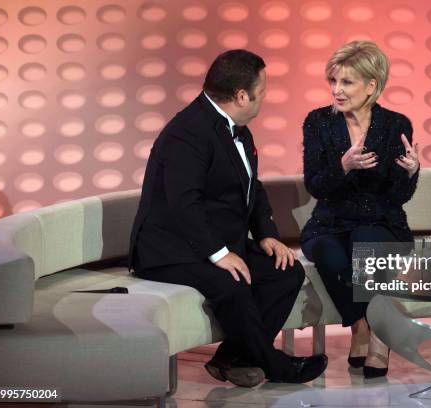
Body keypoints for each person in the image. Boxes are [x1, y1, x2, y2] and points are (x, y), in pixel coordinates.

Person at [129, 49, 327, 387]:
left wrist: (266, 234)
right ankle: (275, 366)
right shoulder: (187, 132)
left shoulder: (236, 127)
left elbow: (252, 185)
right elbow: (184, 203)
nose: (265, 97)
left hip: (214, 241)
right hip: (169, 249)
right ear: (241, 95)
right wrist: (220, 254)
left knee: (285, 271)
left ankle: (231, 359)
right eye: (262, 90)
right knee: (233, 284)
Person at [300, 41, 420, 378]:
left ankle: (380, 338)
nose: (337, 91)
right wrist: (343, 166)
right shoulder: (318, 122)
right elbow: (315, 185)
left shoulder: (396, 124)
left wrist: (410, 172)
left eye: (347, 82)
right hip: (330, 222)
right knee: (330, 254)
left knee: (368, 243)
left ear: (372, 85)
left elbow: (398, 196)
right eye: (333, 81)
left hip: (380, 220)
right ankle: (360, 326)